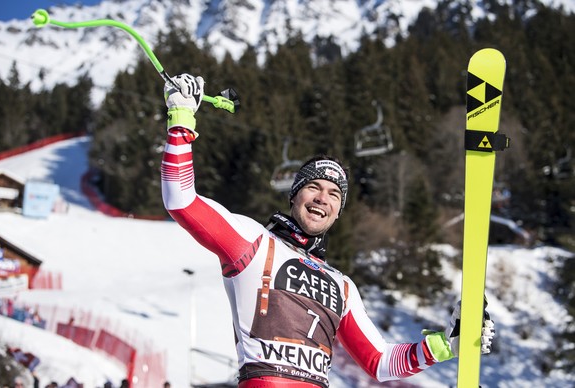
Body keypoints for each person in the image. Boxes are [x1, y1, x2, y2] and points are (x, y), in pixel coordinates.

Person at [160, 74, 495, 387]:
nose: (322, 198)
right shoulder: (253, 243)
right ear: (294, 196)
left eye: (334, 194)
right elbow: (182, 200)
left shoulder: (342, 286)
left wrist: (444, 346)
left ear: (338, 212)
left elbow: (379, 361)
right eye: (313, 187)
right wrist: (181, 118)